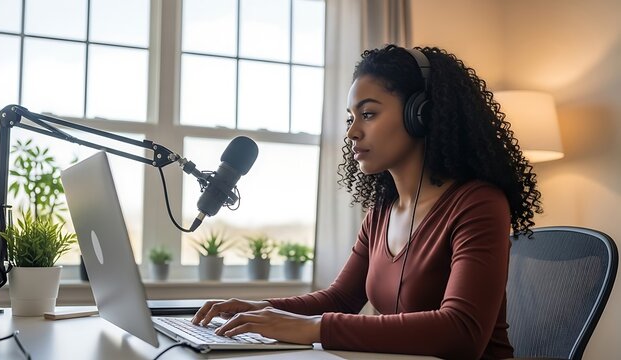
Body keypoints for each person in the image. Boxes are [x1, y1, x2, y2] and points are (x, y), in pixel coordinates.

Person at [191, 45, 542, 359]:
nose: (352, 132)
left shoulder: (478, 203)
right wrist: (261, 309)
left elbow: (461, 332)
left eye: (369, 114)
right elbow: (341, 298)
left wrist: (315, 328)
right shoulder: (382, 212)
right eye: (350, 118)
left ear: (420, 115)